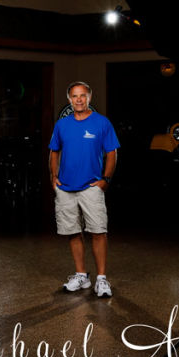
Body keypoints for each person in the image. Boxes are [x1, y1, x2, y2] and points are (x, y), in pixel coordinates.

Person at [49, 81, 120, 297]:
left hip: (91, 186)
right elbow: (54, 152)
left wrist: (105, 180)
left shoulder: (102, 123)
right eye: (74, 96)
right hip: (66, 187)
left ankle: (101, 279)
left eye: (82, 95)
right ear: (69, 99)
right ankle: (81, 276)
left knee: (98, 231)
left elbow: (112, 153)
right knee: (72, 232)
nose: (78, 99)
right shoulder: (62, 125)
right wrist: (54, 177)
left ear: (89, 97)